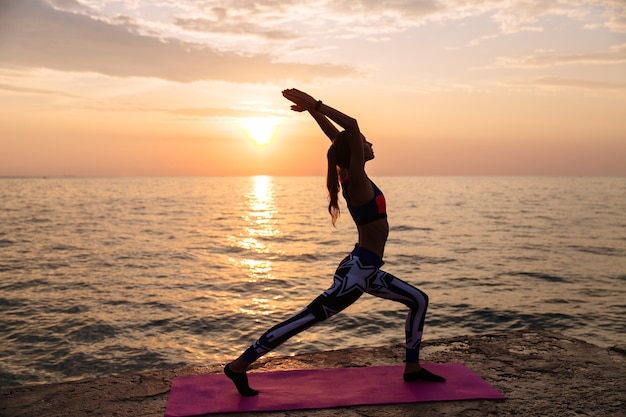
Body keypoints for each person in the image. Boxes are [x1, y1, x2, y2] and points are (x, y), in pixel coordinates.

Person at [224, 88, 445, 396]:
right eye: (365, 142)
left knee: (419, 300)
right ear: (355, 152)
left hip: (366, 270)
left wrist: (313, 112)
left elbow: (339, 139)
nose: (369, 143)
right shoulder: (356, 179)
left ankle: (412, 368)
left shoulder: (351, 174)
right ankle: (238, 365)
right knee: (302, 321)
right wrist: (316, 104)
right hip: (355, 276)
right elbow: (351, 128)